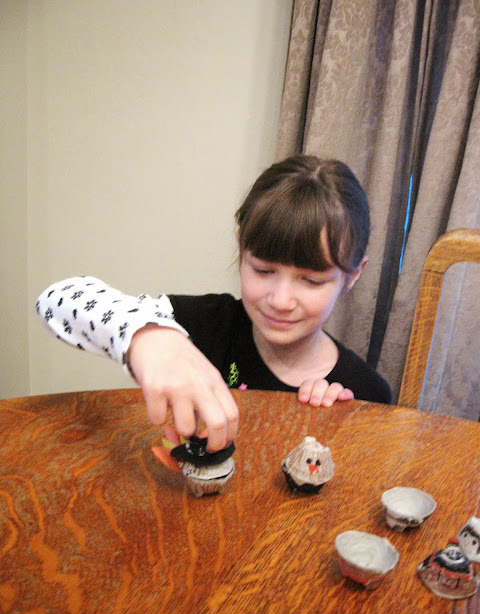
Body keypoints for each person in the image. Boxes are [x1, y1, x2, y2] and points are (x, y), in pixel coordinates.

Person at [36, 155, 392, 453]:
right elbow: (56, 301)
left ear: (353, 275)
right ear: (241, 248)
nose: (280, 301)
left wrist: (333, 429)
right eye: (263, 270)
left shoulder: (367, 392)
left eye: (311, 280)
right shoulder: (203, 325)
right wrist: (146, 337)